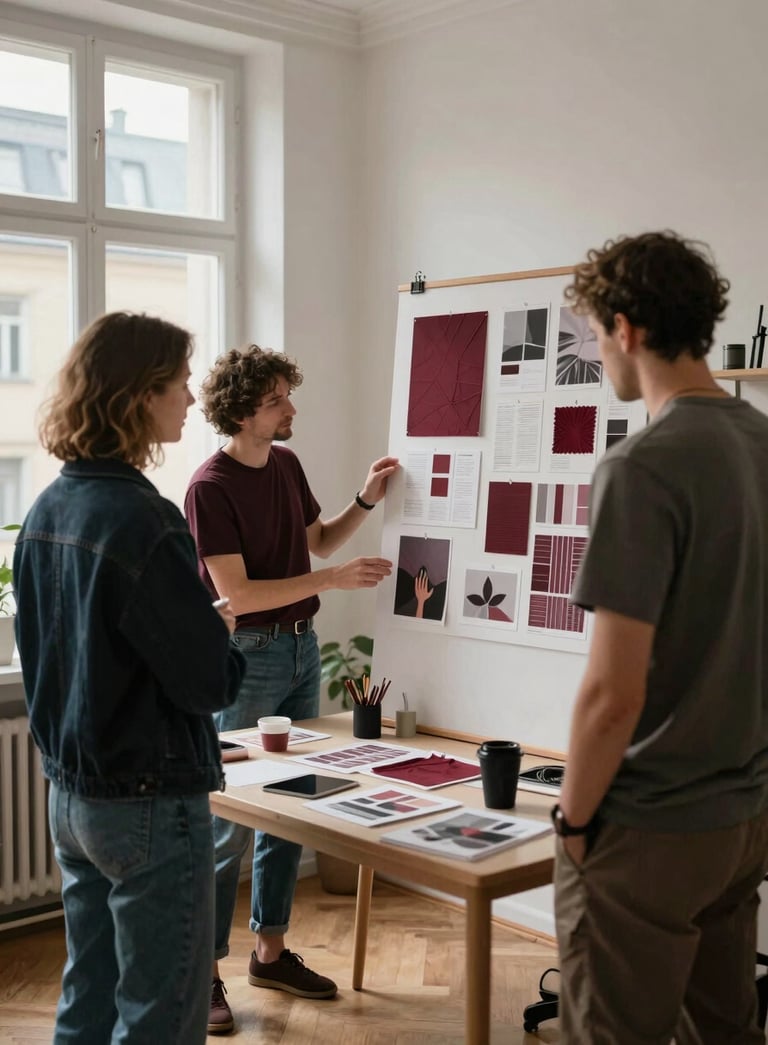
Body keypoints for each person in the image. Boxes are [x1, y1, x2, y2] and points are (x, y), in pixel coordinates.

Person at [552, 230, 768, 1044]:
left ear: (627, 327)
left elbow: (613, 692)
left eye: (597, 335)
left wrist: (572, 821)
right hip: (743, 814)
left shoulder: (644, 463)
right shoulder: (761, 443)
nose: (599, 352)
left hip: (651, 825)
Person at [12, 312, 246, 1045]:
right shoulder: (146, 520)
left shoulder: (46, 507)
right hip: (149, 802)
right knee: (160, 1013)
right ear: (139, 395)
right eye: (179, 383)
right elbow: (210, 682)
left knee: (89, 995)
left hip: (72, 795)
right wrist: (220, 630)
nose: (191, 399)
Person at [184, 344, 398, 1035]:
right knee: (227, 822)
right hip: (246, 656)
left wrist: (366, 496)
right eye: (278, 398)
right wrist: (328, 583)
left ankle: (269, 951)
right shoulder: (209, 486)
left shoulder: (285, 464)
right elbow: (238, 594)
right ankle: (204, 975)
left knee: (291, 809)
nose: (290, 408)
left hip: (301, 651)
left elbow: (321, 540)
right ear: (244, 408)